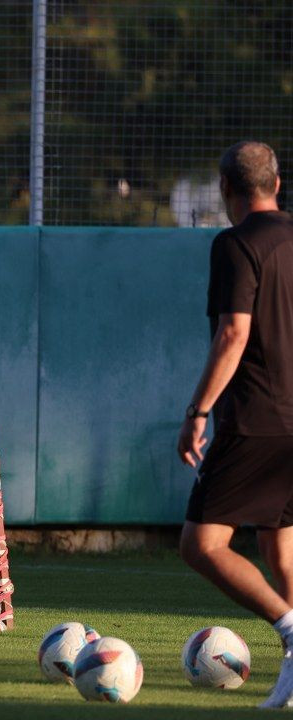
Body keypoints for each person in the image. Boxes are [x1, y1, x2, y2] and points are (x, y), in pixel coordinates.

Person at [176, 141, 293, 708]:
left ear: (227, 188)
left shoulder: (236, 243)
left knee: (201, 545)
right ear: (276, 181)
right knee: (283, 553)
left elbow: (233, 334)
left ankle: (291, 630)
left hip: (257, 419)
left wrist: (198, 411)